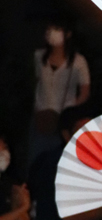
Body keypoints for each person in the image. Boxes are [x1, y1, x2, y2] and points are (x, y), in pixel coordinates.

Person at [30, 21, 91, 163]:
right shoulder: (38, 57)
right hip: (40, 119)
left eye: (57, 28)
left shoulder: (78, 61)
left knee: (57, 160)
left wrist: (69, 109)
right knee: (35, 158)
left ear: (68, 34)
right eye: (50, 28)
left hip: (61, 121)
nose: (52, 32)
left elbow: (85, 91)